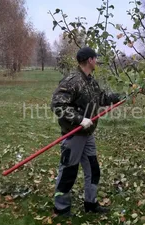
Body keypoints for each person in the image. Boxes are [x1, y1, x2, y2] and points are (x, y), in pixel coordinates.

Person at [50, 47, 122, 216]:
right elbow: (57, 105)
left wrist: (120, 96)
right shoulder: (73, 80)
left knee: (93, 169)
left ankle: (91, 203)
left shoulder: (90, 80)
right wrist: (80, 119)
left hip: (88, 135)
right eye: (95, 58)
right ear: (90, 60)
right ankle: (61, 208)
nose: (96, 61)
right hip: (74, 134)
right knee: (68, 170)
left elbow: (101, 98)